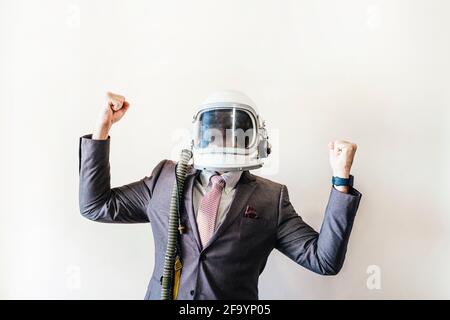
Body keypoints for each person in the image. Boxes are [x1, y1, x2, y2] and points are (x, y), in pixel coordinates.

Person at [78, 90, 362, 300]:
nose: (224, 139)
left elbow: (323, 260)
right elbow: (96, 205)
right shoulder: (165, 179)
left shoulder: (271, 198)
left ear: (253, 136)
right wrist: (102, 128)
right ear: (199, 134)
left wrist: (341, 180)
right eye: (215, 130)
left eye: (234, 130)